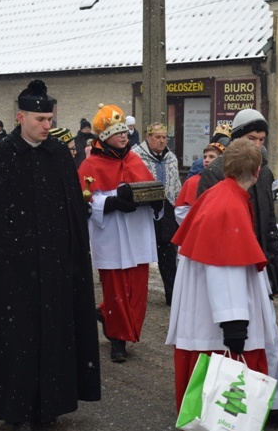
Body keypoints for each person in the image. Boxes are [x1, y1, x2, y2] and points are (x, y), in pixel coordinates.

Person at [0, 80, 100, 429]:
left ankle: (51, 405)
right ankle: (14, 406)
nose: (47, 125)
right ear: (21, 117)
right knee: (16, 338)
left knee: (54, 335)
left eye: (50, 118)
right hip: (12, 270)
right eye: (41, 119)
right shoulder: (0, 156)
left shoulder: (59, 154)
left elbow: (73, 211)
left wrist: (73, 256)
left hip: (55, 267)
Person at [197, 108, 278, 429]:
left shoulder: (264, 172)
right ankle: (234, 406)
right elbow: (207, 228)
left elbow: (268, 225)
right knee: (236, 342)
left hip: (258, 269)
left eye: (261, 139)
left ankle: (275, 404)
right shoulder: (215, 173)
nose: (257, 144)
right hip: (231, 269)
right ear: (236, 139)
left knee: (270, 339)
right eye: (251, 138)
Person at [166, 138, 274, 411]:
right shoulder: (228, 205)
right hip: (218, 324)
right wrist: (234, 324)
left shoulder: (217, 194)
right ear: (257, 171)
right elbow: (225, 266)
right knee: (223, 410)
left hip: (206, 310)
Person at [78, 103, 159, 363]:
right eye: (117, 131)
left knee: (136, 292)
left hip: (136, 236)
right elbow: (85, 202)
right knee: (116, 291)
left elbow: (150, 190)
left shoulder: (136, 160)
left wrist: (157, 201)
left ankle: (111, 318)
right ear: (103, 137)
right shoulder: (91, 164)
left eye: (124, 130)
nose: (124, 135)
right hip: (111, 237)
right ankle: (117, 339)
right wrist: (112, 202)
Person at [133, 122, 182, 306]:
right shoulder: (136, 157)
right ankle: (136, 297)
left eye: (164, 137)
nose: (162, 141)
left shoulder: (171, 158)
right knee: (140, 254)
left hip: (167, 209)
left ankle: (173, 296)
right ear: (148, 137)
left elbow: (175, 183)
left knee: (168, 254)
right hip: (144, 209)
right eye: (158, 137)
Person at [174, 142, 224, 224]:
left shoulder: (228, 182)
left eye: (211, 157)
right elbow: (181, 211)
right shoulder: (192, 182)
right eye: (205, 157)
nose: (206, 160)